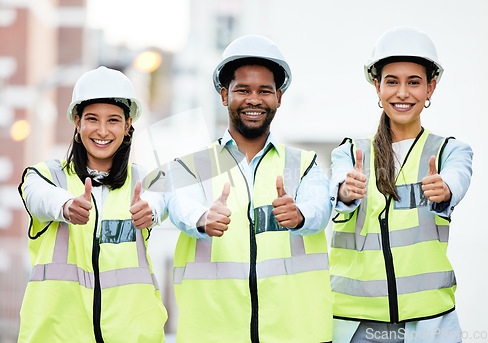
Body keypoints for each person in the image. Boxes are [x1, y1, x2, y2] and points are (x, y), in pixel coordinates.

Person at [165, 35, 333, 342]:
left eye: (264, 91)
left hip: (295, 334)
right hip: (214, 334)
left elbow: (321, 208)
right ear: (224, 95)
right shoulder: (191, 166)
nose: (253, 99)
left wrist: (300, 216)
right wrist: (202, 218)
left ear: (278, 97)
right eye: (242, 90)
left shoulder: (304, 164)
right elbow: (179, 206)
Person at [329, 27, 473, 342]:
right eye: (392, 82)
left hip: (427, 323)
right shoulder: (350, 152)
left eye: (414, 82)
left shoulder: (450, 151)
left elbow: (458, 178)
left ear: (430, 88)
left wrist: (445, 190)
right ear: (377, 87)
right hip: (356, 324)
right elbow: (337, 186)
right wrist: (345, 191)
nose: (403, 93)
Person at [17, 66, 168, 342]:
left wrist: (152, 211)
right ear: (77, 122)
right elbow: (38, 197)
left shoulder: (144, 181)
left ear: (127, 125)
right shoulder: (47, 177)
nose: (102, 130)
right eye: (92, 119)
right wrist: (65, 206)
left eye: (113, 120)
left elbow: (159, 199)